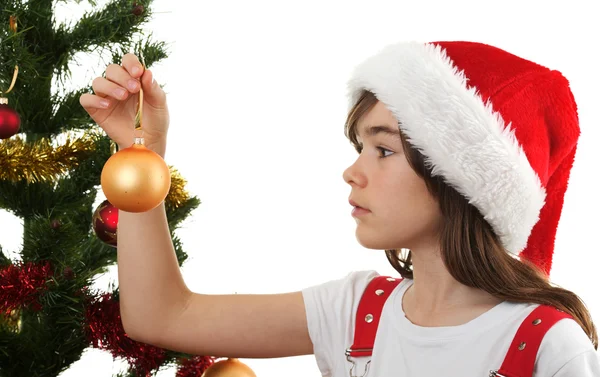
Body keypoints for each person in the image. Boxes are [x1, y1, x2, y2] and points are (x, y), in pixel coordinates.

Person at [79, 40, 600, 376]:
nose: (354, 172)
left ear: (462, 180)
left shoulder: (546, 344)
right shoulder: (357, 312)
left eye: (385, 149)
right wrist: (140, 153)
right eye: (360, 147)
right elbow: (161, 316)